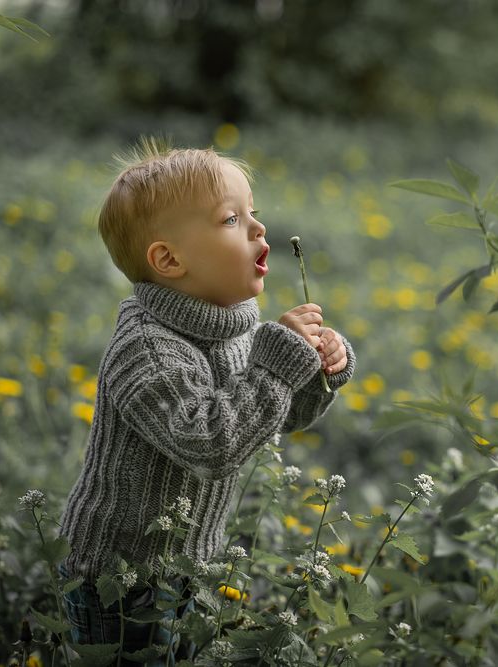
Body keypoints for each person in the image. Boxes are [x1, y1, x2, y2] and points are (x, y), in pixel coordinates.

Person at [55, 137, 356, 665]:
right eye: (231, 220)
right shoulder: (146, 348)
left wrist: (316, 371)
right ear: (169, 260)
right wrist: (277, 363)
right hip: (119, 577)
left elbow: (273, 418)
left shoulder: (236, 331)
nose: (259, 229)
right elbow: (211, 443)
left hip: (191, 564)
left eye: (253, 214)